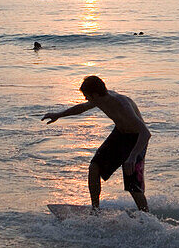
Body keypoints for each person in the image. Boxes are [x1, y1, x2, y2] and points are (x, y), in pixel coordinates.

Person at [41, 76, 150, 212]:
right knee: (94, 168)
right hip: (120, 134)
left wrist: (133, 156)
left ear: (95, 94)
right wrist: (59, 114)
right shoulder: (99, 99)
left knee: (133, 184)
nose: (86, 99)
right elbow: (81, 108)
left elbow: (145, 133)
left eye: (87, 96)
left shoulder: (122, 104)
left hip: (137, 139)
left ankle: (145, 215)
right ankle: (95, 210)